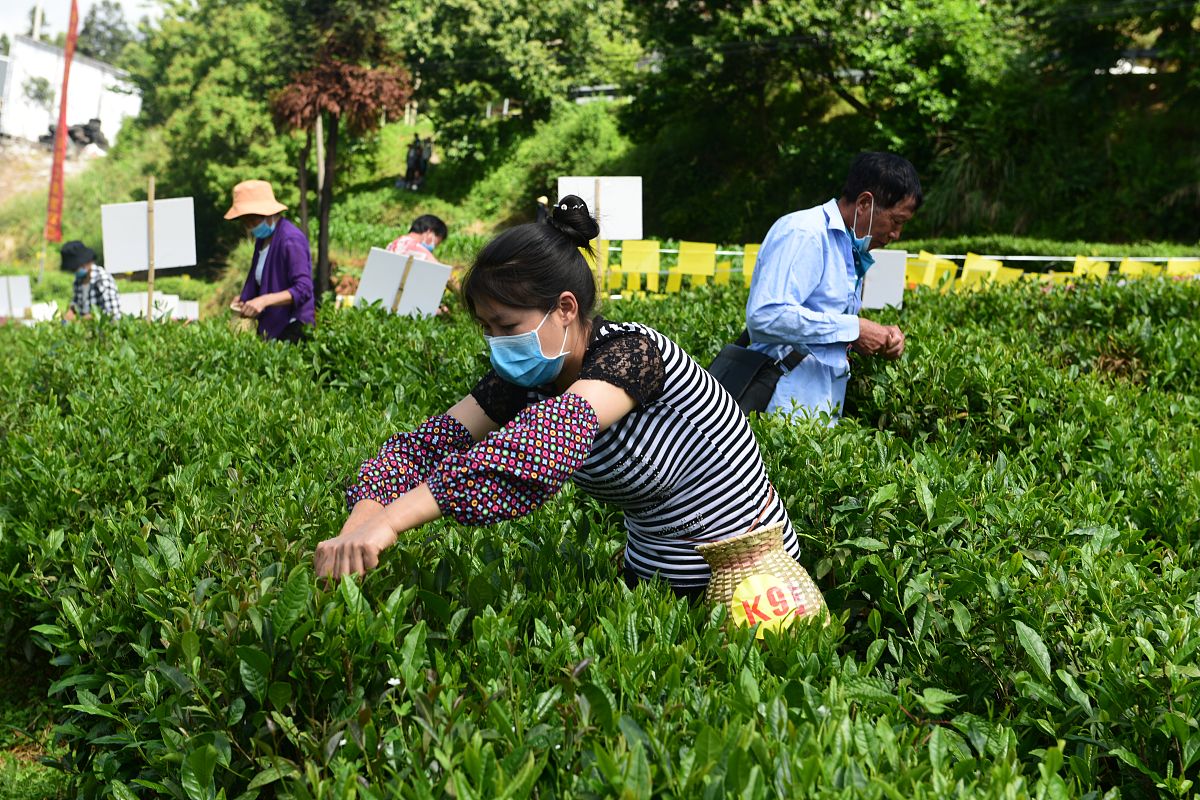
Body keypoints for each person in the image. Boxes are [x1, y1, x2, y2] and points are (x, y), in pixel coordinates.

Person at [314, 196, 823, 610]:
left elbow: (542, 442)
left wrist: (391, 522)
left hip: (749, 575)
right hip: (651, 575)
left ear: (564, 308)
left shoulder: (633, 355)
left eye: (507, 326)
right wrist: (358, 527)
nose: (496, 343)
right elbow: (425, 447)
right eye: (486, 328)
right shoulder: (534, 373)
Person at [745, 152, 922, 421]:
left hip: (816, 415)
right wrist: (854, 329)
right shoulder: (805, 233)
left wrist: (874, 337)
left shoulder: (849, 247)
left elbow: (825, 323)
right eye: (896, 221)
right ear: (864, 203)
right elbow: (765, 316)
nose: (896, 234)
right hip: (779, 412)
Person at [224, 180, 315, 343]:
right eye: (245, 221)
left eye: (252, 220)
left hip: (292, 328)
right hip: (270, 328)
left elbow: (303, 288)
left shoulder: (291, 239)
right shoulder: (262, 239)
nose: (250, 226)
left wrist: (264, 300)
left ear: (268, 213)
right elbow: (261, 282)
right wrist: (244, 301)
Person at [63, 240, 121, 320]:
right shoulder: (78, 281)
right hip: (83, 326)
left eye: (75, 268)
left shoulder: (102, 279)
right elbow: (76, 303)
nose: (74, 272)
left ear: (84, 263)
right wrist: (71, 311)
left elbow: (112, 313)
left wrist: (83, 319)